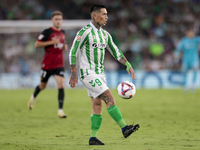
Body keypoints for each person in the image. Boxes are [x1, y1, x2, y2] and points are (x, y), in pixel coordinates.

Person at [69, 4, 139, 145]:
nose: (106, 17)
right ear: (95, 16)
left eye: (107, 14)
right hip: (87, 73)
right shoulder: (84, 32)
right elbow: (73, 51)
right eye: (103, 14)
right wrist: (73, 71)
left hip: (100, 74)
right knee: (109, 97)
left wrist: (127, 63)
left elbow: (115, 51)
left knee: (97, 105)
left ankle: (93, 138)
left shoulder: (105, 34)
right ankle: (124, 128)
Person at [28, 11, 68, 118]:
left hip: (59, 64)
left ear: (62, 20)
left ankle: (60, 111)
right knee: (42, 86)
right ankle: (33, 96)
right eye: (56, 19)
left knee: (61, 85)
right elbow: (37, 44)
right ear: (52, 20)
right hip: (47, 64)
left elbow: (62, 43)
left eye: (60, 19)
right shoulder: (47, 32)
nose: (58, 21)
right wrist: (51, 42)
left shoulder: (63, 32)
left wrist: (64, 46)